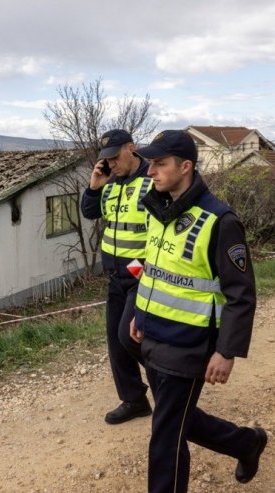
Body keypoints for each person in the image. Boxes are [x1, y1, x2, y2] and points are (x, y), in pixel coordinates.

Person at [130, 130, 268, 492]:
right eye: (149, 164)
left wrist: (226, 351)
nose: (150, 172)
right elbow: (156, 273)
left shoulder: (220, 221)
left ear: (186, 166)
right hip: (153, 336)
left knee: (166, 439)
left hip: (190, 347)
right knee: (177, 421)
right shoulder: (156, 211)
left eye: (159, 164)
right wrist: (139, 316)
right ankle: (245, 443)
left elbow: (241, 295)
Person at [81, 129, 152, 424]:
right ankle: (134, 400)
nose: (110, 162)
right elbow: (89, 212)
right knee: (115, 340)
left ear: (131, 149)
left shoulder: (152, 180)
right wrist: (95, 186)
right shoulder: (111, 183)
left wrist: (145, 268)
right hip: (115, 276)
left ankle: (171, 377)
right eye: (105, 158)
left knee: (128, 336)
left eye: (114, 156)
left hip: (142, 275)